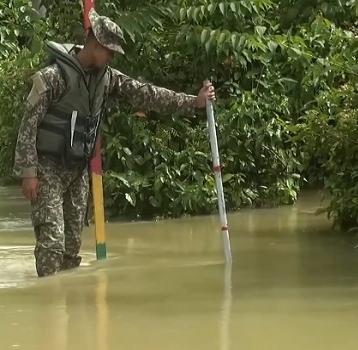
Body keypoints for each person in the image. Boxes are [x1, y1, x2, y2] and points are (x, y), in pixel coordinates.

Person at [13, 8, 217, 277]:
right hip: (47, 169)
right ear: (95, 44)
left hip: (77, 171)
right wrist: (28, 173)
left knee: (71, 249)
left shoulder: (107, 78)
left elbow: (147, 95)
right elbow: (29, 125)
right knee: (52, 243)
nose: (110, 57)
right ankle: (47, 306)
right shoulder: (53, 77)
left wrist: (194, 102)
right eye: (108, 51)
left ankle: (66, 307)